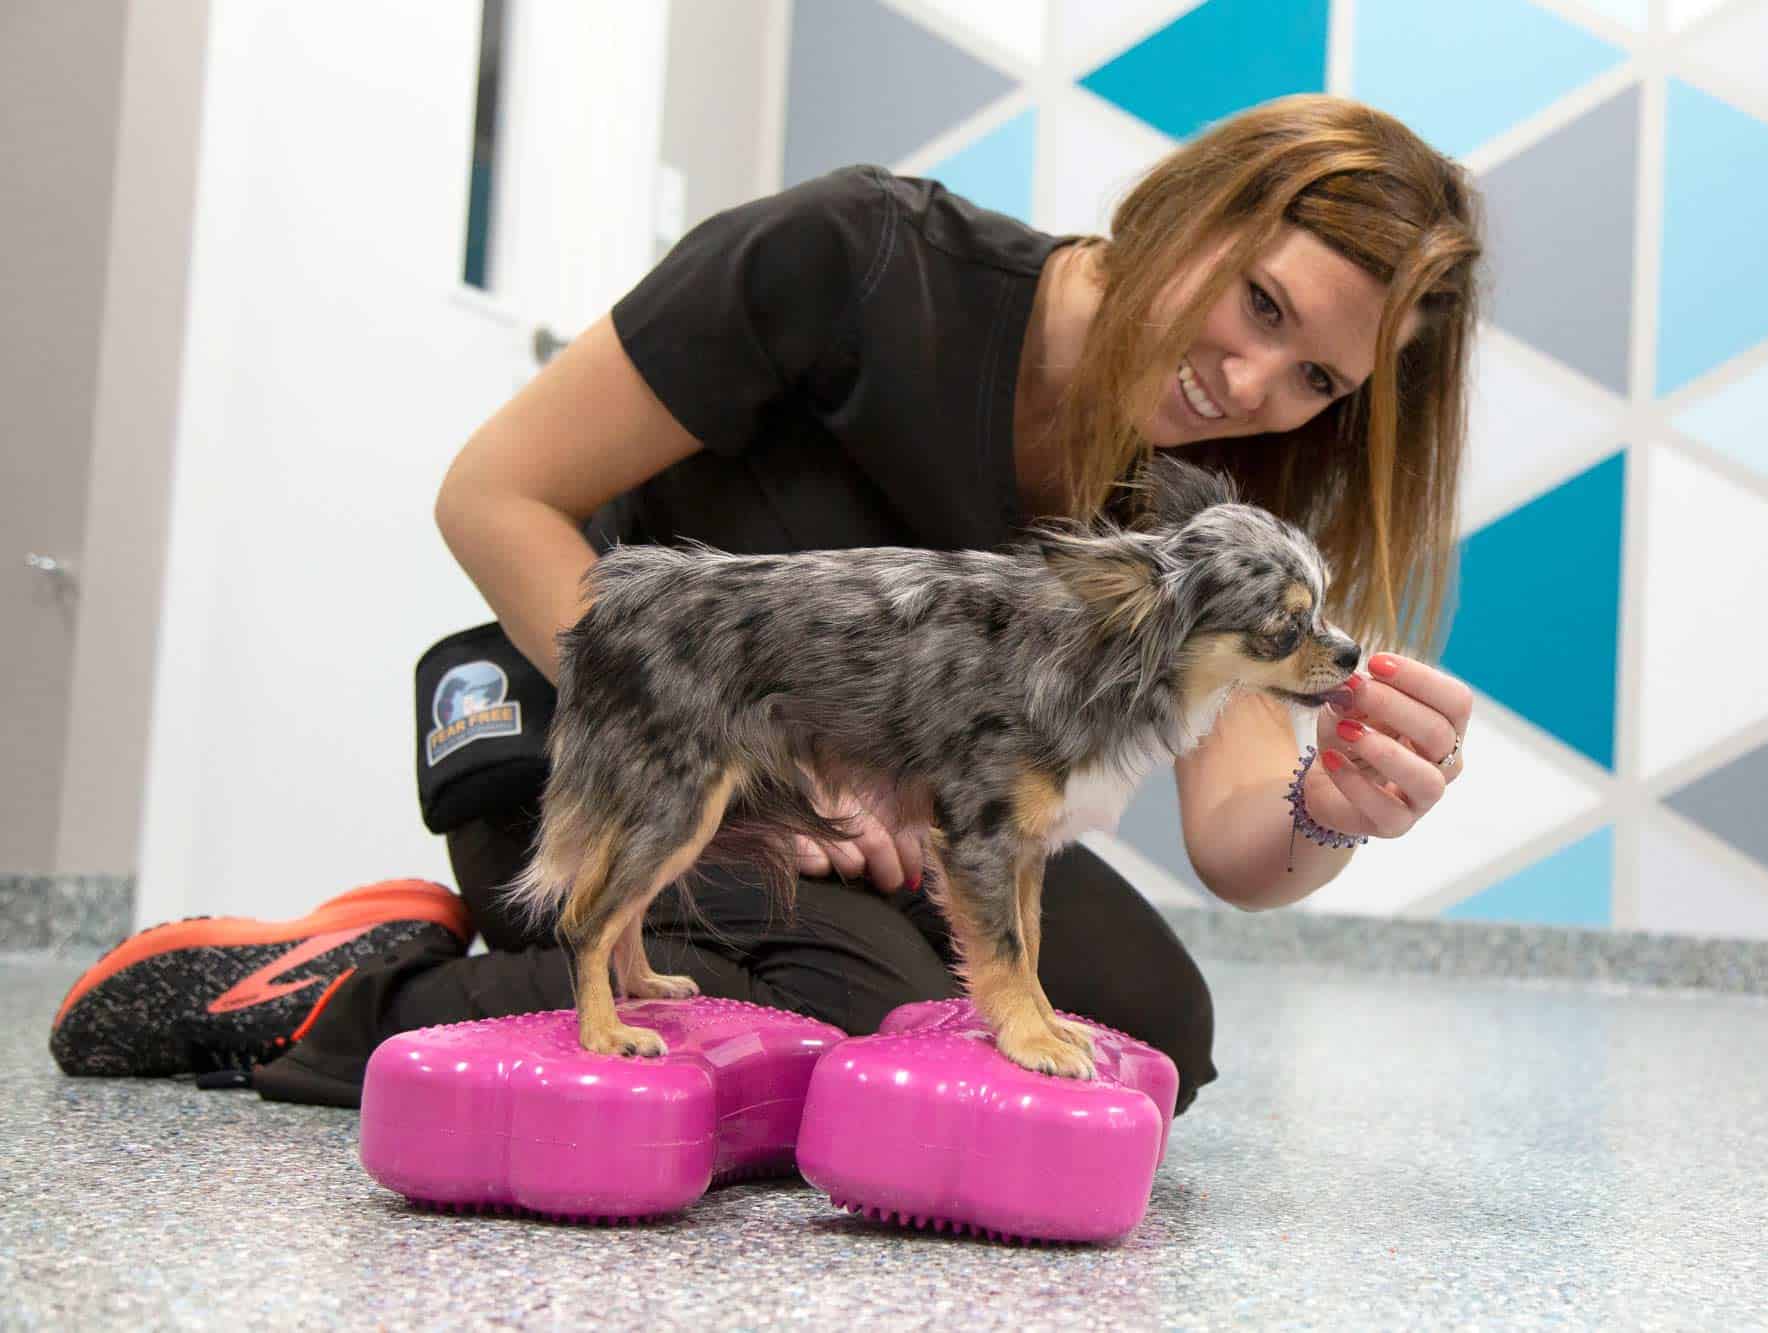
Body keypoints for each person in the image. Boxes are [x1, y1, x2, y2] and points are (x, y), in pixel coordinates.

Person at [50, 94, 1482, 1117]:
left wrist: (1331, 811)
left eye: (1315, 384)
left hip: (879, 824)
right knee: (841, 1004)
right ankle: (335, 996)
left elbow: (1239, 835)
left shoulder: (1193, 497)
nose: (1248, 385)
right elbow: (494, 496)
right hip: (624, 728)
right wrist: (789, 774)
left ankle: (709, 979)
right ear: (1200, 202)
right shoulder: (855, 258)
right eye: (1262, 306)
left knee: (1154, 1019)